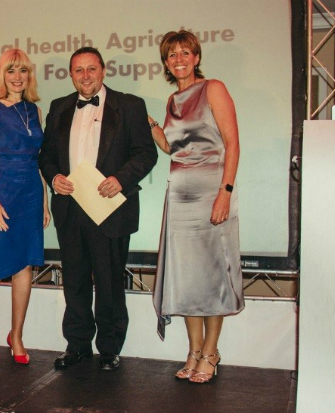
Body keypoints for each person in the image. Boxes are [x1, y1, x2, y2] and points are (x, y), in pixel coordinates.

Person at [39, 47, 157, 371]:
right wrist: (54, 176)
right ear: (71, 74)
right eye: (79, 70)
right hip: (70, 206)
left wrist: (121, 178)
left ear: (103, 71)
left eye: (92, 69)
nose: (86, 76)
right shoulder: (58, 107)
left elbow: (147, 153)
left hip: (109, 207)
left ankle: (109, 349)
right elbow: (46, 156)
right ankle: (77, 345)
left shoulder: (130, 106)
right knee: (74, 282)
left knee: (109, 283)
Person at [149, 30, 245, 384]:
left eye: (185, 52)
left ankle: (211, 351)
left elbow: (232, 145)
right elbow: (175, 149)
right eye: (172, 55)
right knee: (187, 278)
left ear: (196, 57)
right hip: (179, 195)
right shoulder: (173, 99)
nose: (179, 59)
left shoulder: (213, 89)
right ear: (166, 63)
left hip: (211, 192)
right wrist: (155, 129)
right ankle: (192, 351)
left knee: (212, 276)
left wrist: (226, 192)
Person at [0, 49, 50, 366]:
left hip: (30, 194)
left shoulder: (33, 110)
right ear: (1, 74)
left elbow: (39, 160)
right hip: (0, 194)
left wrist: (44, 202)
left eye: (22, 71)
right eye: (11, 71)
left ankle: (16, 334)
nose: (17, 76)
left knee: (25, 266)